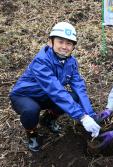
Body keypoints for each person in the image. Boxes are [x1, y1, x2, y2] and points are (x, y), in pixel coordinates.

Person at [9, 22, 100, 152]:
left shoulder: (71, 62)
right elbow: (56, 91)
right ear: (51, 42)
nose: (64, 47)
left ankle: (47, 120)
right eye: (60, 42)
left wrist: (91, 114)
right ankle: (32, 134)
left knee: (73, 97)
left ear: (73, 46)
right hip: (25, 96)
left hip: (47, 95)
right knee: (31, 110)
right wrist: (82, 116)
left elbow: (79, 87)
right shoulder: (41, 61)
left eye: (69, 43)